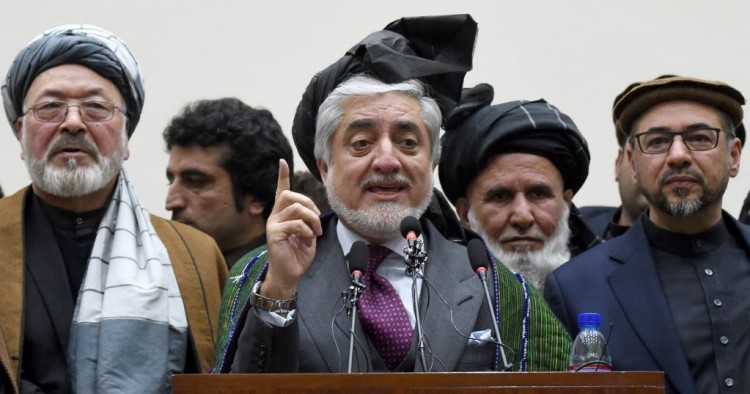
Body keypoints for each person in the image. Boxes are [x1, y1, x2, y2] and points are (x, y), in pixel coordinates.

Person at [217, 15, 570, 374]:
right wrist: (279, 290)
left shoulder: (494, 283)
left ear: (432, 162)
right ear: (324, 167)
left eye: (407, 142)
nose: (387, 160)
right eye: (361, 143)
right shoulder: (260, 274)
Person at [0, 25, 227, 393]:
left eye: (95, 107)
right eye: (50, 107)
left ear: (126, 138)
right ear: (22, 133)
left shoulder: (195, 255)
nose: (72, 122)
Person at [544, 75, 748, 394]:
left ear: (734, 156)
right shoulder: (576, 288)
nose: (678, 155)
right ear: (632, 164)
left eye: (699, 138)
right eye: (657, 142)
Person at [440, 84, 599, 291]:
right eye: (500, 196)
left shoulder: (611, 287)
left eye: (539, 194)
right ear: (464, 213)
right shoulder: (435, 295)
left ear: (566, 204)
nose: (523, 218)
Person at [164, 97, 294, 269]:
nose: (171, 202)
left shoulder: (290, 277)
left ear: (256, 198)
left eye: (195, 182)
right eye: (171, 180)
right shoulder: (164, 269)